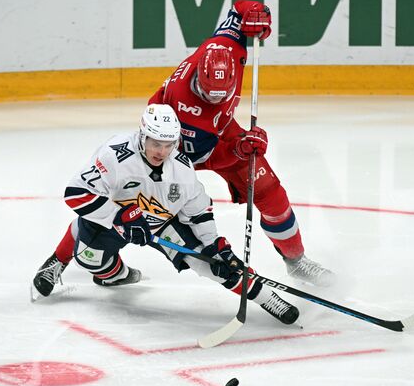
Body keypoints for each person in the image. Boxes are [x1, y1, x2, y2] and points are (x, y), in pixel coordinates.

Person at [31, 104, 299, 325]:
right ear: (142, 135)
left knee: (212, 264)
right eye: (156, 143)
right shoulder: (114, 156)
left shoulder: (180, 167)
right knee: (91, 261)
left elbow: (198, 210)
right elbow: (76, 192)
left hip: (162, 222)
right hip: (115, 220)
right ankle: (105, 271)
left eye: (169, 144)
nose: (162, 151)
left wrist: (215, 245)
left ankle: (267, 299)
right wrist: (119, 217)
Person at [148, 0, 334, 286]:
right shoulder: (188, 109)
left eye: (221, 95)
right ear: (198, 77)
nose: (215, 99)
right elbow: (200, 160)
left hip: (221, 132)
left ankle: (297, 262)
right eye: (208, 94)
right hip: (176, 146)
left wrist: (255, 14)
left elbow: (239, 8)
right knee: (149, 210)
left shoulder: (228, 47)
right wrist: (238, 149)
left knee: (272, 195)